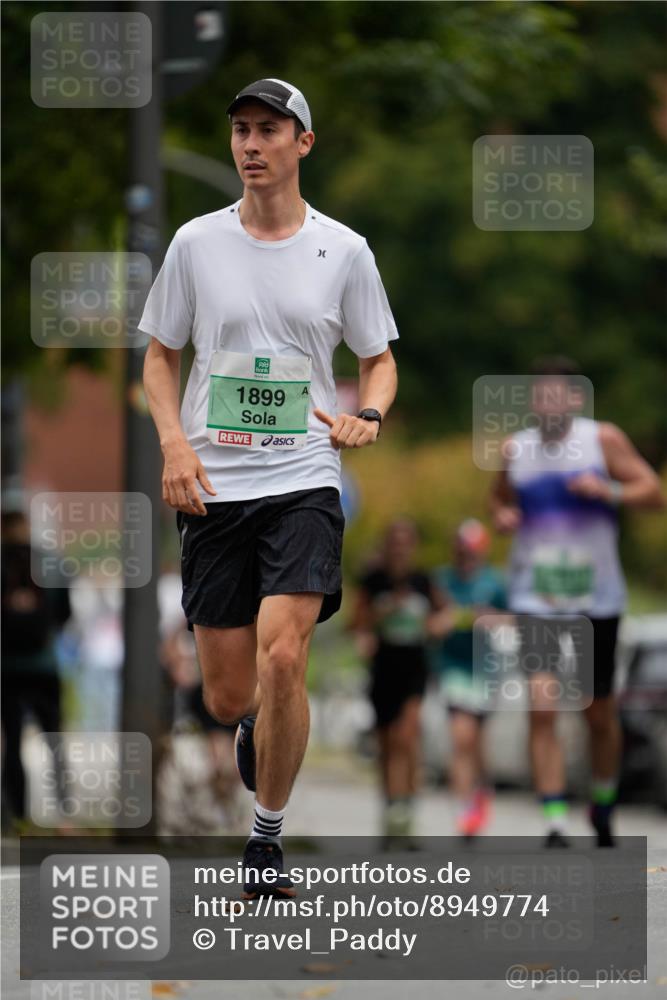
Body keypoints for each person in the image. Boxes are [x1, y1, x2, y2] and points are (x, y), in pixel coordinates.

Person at [140, 78, 398, 896]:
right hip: (212, 484)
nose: (250, 145)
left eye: (269, 131)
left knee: (284, 655)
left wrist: (373, 415)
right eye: (240, 132)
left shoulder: (344, 250)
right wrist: (174, 443)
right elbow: (158, 355)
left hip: (303, 480)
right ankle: (259, 720)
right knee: (226, 695)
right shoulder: (194, 244)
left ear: (303, 144)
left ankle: (265, 838)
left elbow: (378, 358)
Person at [489, 357, 665, 847]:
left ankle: (603, 806)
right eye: (539, 395)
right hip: (536, 596)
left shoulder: (600, 440)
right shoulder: (516, 449)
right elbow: (499, 498)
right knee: (542, 706)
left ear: (573, 399)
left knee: (597, 712)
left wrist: (606, 488)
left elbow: (653, 492)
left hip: (596, 596)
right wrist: (504, 514)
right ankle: (554, 820)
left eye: (557, 394)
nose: (548, 403)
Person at [352, 518, 446, 843]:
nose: (401, 549)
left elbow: (444, 612)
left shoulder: (423, 581)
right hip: (383, 668)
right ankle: (390, 809)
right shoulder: (373, 581)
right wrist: (376, 620)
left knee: (407, 736)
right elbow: (356, 622)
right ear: (387, 545)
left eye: (407, 543)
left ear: (413, 547)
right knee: (387, 743)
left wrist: (436, 624)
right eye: (395, 542)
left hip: (415, 667)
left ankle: (406, 810)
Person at [433, 519, 506, 839]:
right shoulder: (441, 581)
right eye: (462, 552)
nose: (466, 558)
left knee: (476, 741)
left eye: (472, 552)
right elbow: (429, 622)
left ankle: (480, 790)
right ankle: (464, 808)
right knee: (461, 736)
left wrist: (488, 618)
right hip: (453, 667)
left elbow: (515, 619)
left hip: (487, 669)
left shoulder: (496, 582)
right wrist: (443, 622)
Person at [1, 509, 71, 831]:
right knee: (54, 737)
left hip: (7, 667)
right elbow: (64, 614)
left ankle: (18, 814)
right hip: (44, 665)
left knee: (12, 740)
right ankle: (64, 811)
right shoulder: (51, 562)